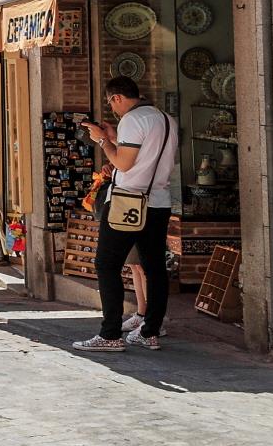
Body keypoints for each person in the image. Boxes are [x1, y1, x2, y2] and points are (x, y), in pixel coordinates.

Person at [74, 77, 178, 352]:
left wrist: (101, 142)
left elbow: (123, 162)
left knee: (106, 264)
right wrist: (113, 137)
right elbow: (146, 155)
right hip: (158, 201)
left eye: (111, 102)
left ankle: (109, 334)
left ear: (117, 98)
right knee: (154, 266)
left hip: (127, 201)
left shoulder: (131, 120)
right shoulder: (165, 119)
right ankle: (150, 331)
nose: (113, 108)